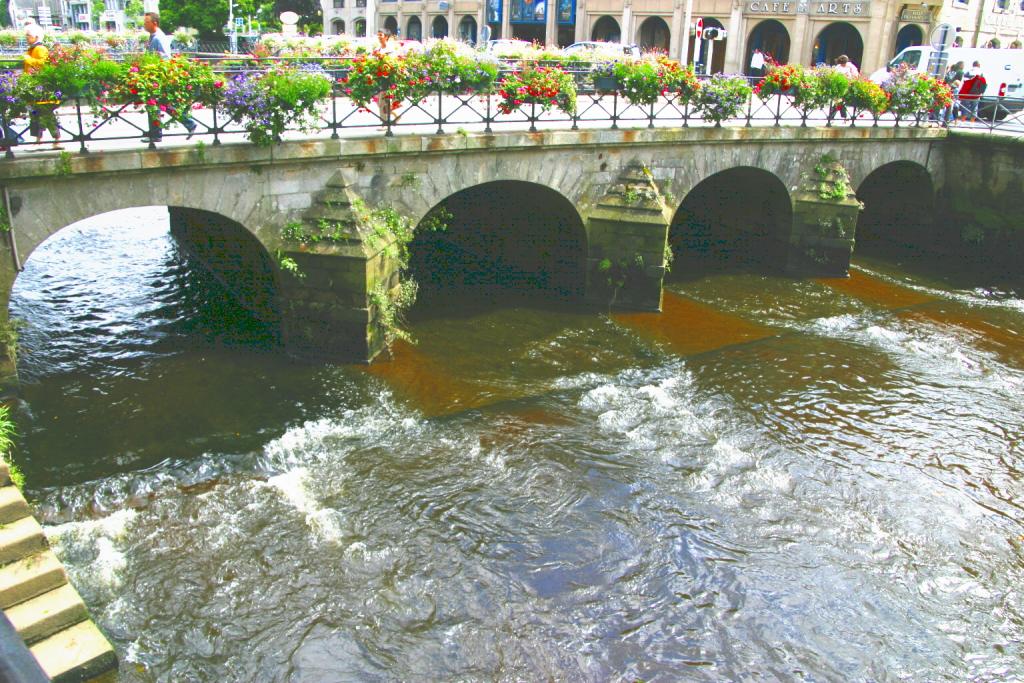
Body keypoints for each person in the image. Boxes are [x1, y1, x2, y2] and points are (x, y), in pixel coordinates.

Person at [141, 11, 197, 143]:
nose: (144, 25)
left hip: (158, 77)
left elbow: (166, 57)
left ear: (154, 23)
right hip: (156, 76)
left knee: (154, 104)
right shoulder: (154, 36)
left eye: (146, 22)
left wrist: (156, 70)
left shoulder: (158, 38)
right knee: (159, 104)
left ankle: (157, 134)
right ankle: (186, 124)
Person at [22, 22, 62, 150]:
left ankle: (54, 140)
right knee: (36, 113)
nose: (26, 38)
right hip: (34, 85)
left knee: (44, 112)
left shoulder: (40, 49)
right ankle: (39, 140)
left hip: (41, 86)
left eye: (28, 35)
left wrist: (28, 59)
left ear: (36, 37)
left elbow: (42, 64)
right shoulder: (32, 49)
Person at [375, 29, 400, 128]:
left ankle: (385, 123)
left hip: (388, 78)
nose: (379, 37)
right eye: (378, 35)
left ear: (386, 37)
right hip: (380, 77)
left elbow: (393, 62)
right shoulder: (379, 49)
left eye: (381, 35)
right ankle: (395, 116)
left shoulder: (390, 49)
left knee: (382, 101)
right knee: (380, 102)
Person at [831, 55, 859, 120]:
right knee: (839, 101)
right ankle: (843, 116)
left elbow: (855, 75)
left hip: (847, 85)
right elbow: (834, 75)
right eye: (841, 63)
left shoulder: (850, 66)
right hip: (839, 86)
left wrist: (851, 80)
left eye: (844, 63)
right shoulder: (838, 67)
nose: (843, 65)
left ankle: (833, 115)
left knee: (840, 100)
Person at [942, 61, 964, 125]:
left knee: (948, 104)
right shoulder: (960, 72)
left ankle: (946, 119)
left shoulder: (950, 72)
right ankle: (951, 120)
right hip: (955, 89)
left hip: (948, 88)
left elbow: (946, 80)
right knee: (955, 105)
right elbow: (959, 82)